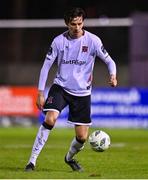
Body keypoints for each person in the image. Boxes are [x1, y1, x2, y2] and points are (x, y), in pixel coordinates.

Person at [25, 7, 117, 172]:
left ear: (83, 22)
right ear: (67, 23)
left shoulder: (93, 41)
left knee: (82, 137)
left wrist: (113, 75)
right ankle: (31, 162)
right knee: (50, 119)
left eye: (80, 23)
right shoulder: (59, 41)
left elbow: (110, 62)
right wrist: (40, 93)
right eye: (73, 24)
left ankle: (69, 158)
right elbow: (45, 67)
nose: (77, 27)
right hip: (61, 87)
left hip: (83, 94)